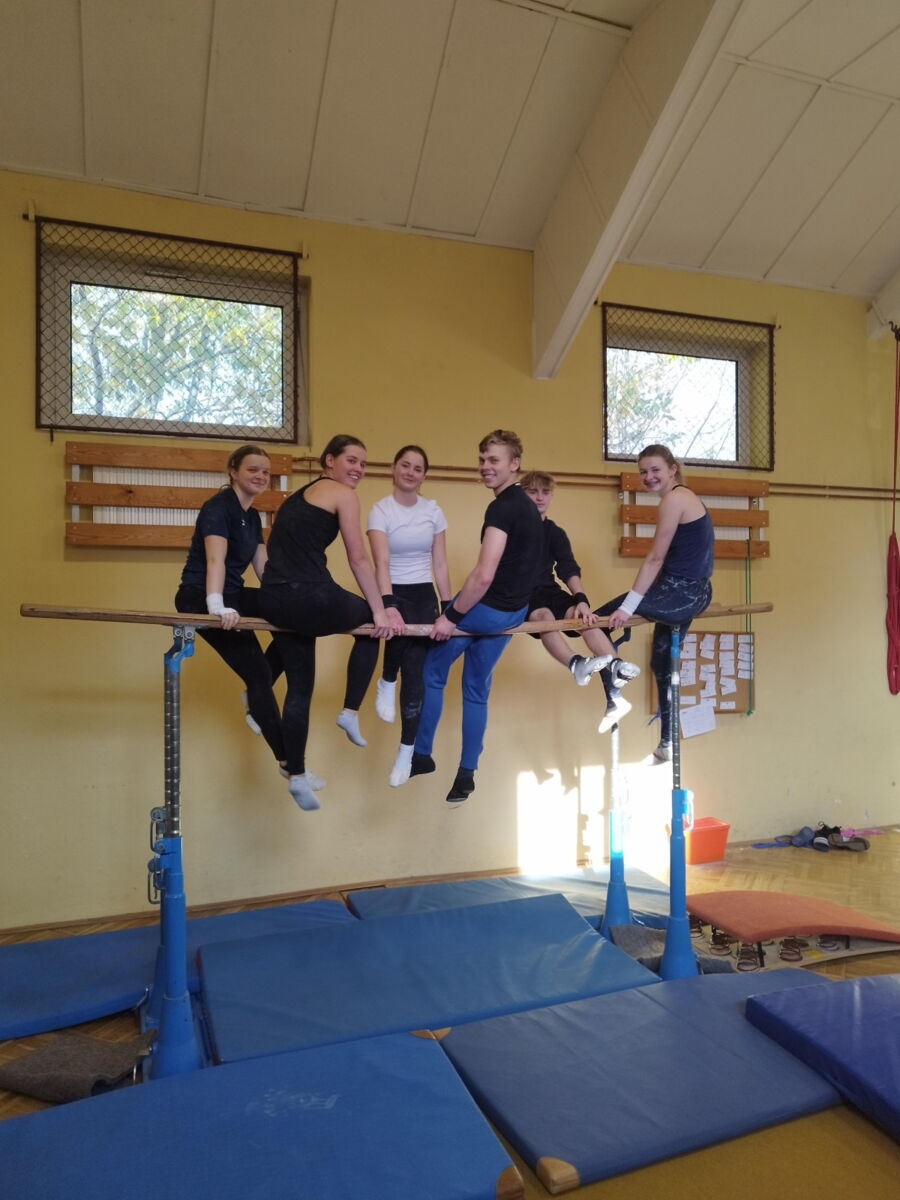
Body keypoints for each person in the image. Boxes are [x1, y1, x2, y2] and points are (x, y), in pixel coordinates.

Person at [259, 435, 405, 811]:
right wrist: (379, 610)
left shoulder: (298, 497)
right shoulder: (343, 494)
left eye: (363, 464)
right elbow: (358, 558)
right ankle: (350, 710)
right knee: (370, 622)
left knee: (299, 689)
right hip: (309, 596)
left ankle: (296, 773)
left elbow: (277, 549)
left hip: (274, 598)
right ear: (329, 461)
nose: (358, 469)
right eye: (351, 460)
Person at [407, 430, 543, 803]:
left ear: (515, 464)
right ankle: (466, 775)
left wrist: (451, 617)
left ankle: (422, 754)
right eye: (482, 460)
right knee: (476, 688)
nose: (485, 466)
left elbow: (483, 575)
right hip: (513, 612)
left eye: (494, 460)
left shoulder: (503, 507)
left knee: (432, 671)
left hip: (491, 611)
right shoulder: (528, 507)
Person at [175, 444, 291, 774]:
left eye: (266, 472)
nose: (261, 476)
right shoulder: (218, 507)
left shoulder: (252, 516)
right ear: (233, 471)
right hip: (199, 595)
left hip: (232, 593)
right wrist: (216, 606)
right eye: (253, 469)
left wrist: (288, 599)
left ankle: (255, 698)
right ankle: (289, 762)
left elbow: (263, 568)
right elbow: (216, 560)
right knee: (258, 673)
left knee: (297, 619)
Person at [601, 444, 714, 761]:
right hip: (695, 591)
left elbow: (654, 559)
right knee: (662, 662)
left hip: (680, 593)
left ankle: (615, 698)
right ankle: (667, 743)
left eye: (655, 470)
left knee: (597, 621)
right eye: (643, 472)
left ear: (672, 469)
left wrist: (628, 607)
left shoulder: (675, 499)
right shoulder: (684, 496)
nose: (648, 476)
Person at [519, 470, 640, 714]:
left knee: (583, 615)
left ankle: (615, 666)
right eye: (532, 492)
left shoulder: (554, 532)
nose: (539, 497)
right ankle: (576, 664)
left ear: (551, 495)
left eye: (545, 492)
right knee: (544, 617)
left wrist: (582, 600)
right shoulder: (512, 530)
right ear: (523, 495)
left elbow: (568, 567)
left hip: (548, 589)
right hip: (521, 594)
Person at [367, 445, 452, 787]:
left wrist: (448, 607)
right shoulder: (380, 510)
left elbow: (440, 563)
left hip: (423, 593)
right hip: (392, 588)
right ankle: (387, 679)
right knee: (397, 630)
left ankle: (406, 750)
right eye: (405, 465)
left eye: (418, 468)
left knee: (415, 677)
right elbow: (381, 562)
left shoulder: (433, 511)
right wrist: (388, 604)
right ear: (394, 468)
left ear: (424, 476)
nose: (410, 472)